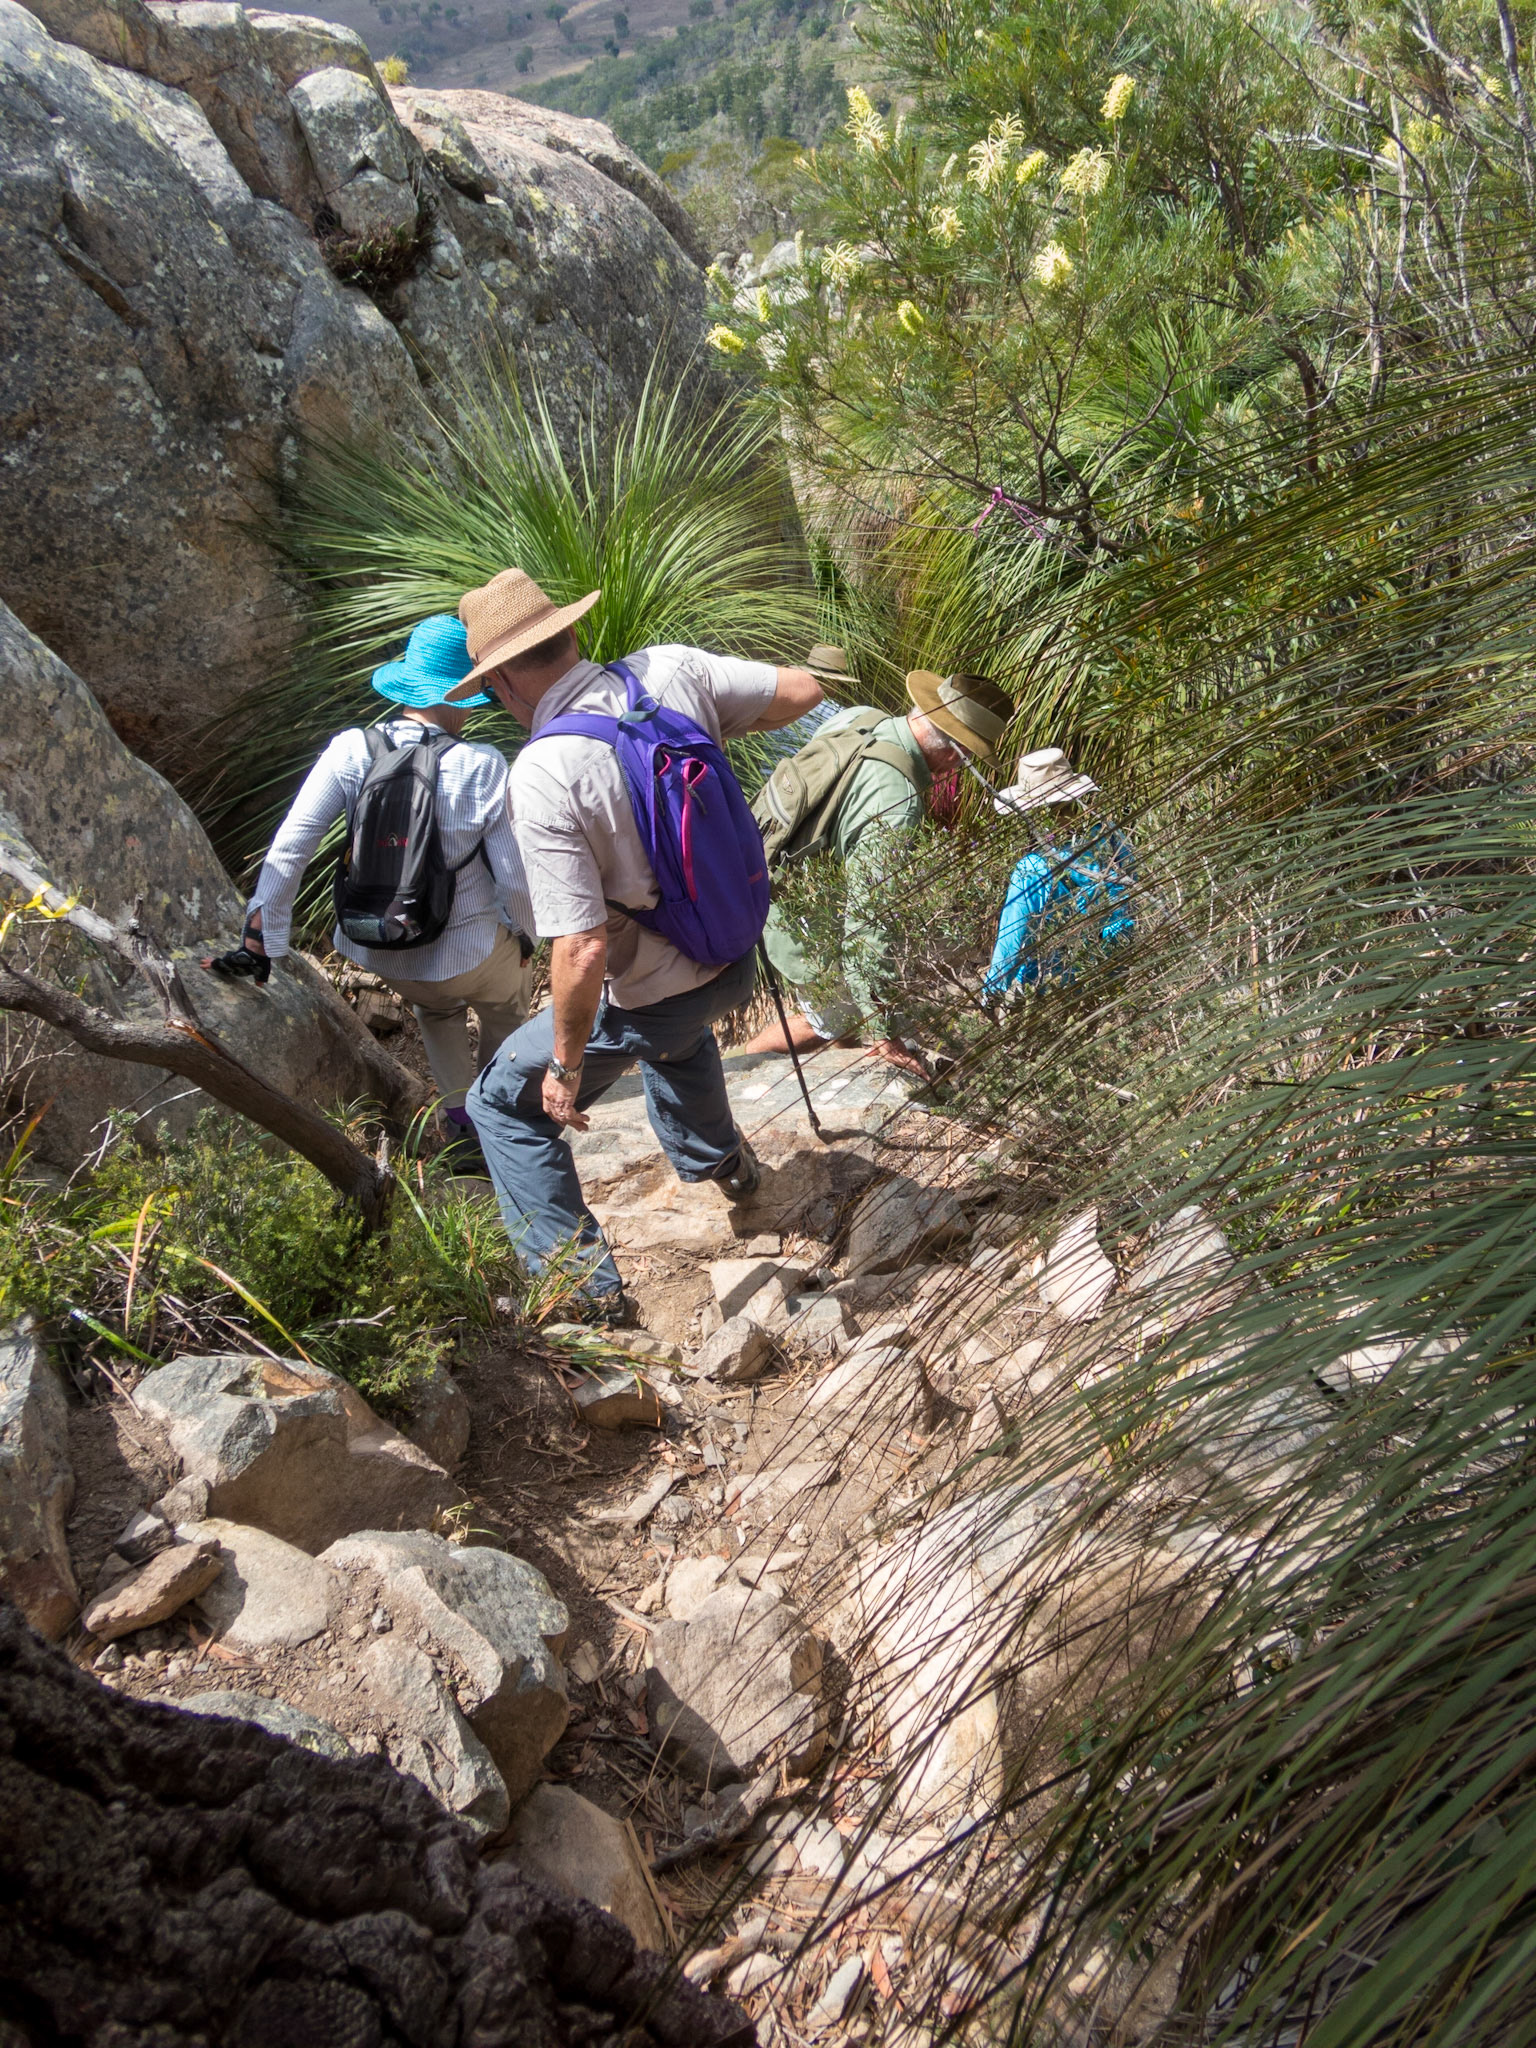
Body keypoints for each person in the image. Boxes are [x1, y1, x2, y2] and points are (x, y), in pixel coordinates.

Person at [443, 567, 823, 1322]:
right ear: (571, 635)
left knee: (502, 1105)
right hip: (736, 958)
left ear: (506, 685)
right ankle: (730, 1168)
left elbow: (581, 948)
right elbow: (805, 691)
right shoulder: (669, 669)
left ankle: (587, 1299)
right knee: (674, 1039)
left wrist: (564, 1065)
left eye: (487, 693)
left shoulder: (544, 772)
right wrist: (713, 726)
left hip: (660, 993)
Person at [203, 614, 536, 1169]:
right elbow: (516, 880)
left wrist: (264, 942)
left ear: (408, 680)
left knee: (435, 1011)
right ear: (466, 690)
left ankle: (461, 1130)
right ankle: (500, 1114)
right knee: (505, 1004)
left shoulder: (351, 749)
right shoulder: (482, 765)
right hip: (474, 954)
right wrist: (523, 935)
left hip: (380, 947)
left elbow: (289, 848)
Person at [741, 662, 1015, 1074]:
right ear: (952, 750)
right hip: (801, 922)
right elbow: (868, 920)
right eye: (966, 757)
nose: (958, 769)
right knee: (831, 1020)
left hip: (772, 879)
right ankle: (743, 1069)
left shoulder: (860, 717)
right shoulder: (896, 799)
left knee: (841, 1016)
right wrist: (881, 1027)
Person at [983, 748, 1135, 994]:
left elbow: (1015, 928)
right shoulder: (1109, 833)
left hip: (1056, 977)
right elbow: (1129, 892)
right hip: (1112, 966)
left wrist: (993, 987)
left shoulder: (1034, 866)